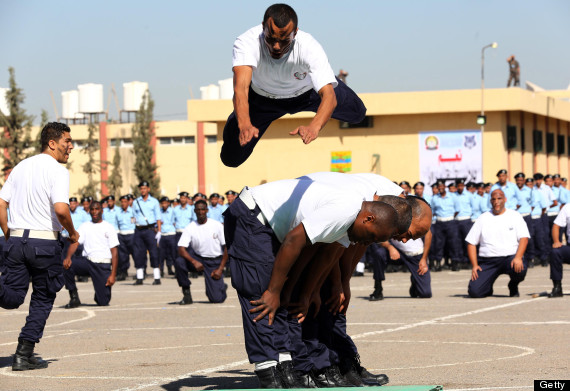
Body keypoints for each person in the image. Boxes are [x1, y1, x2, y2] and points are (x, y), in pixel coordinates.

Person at [223, 178, 408, 388]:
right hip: (252, 217)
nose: (366, 244)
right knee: (261, 294)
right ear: (369, 218)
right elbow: (294, 240)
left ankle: (285, 365)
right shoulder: (344, 212)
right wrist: (274, 291)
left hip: (273, 228)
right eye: (371, 237)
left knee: (283, 297)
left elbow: (319, 256)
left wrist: (304, 292)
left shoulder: (353, 221)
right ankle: (267, 369)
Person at [220, 3, 366, 167]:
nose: (276, 47)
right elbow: (241, 88)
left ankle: (324, 77)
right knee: (231, 158)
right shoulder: (247, 42)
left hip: (308, 94)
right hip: (263, 99)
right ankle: (235, 126)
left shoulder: (309, 46)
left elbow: (329, 97)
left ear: (295, 33)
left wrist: (314, 127)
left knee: (358, 113)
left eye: (284, 41)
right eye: (271, 39)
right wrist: (245, 123)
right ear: (263, 28)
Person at [0, 122, 79, 371]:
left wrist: (8, 234)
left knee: (12, 297)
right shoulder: (57, 170)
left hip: (16, 240)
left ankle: (25, 354)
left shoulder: (21, 166)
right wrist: (73, 232)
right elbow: (60, 209)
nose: (71, 146)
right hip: (44, 242)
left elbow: (1, 204)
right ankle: (23, 355)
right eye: (67, 141)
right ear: (52, 143)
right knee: (44, 298)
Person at [466, 189, 530, 298]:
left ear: (505, 200)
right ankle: (487, 287)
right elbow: (471, 242)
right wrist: (475, 265)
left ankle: (513, 285)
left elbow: (524, 238)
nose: (496, 201)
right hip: (488, 261)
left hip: (510, 258)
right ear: (490, 201)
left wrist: (518, 257)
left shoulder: (515, 215)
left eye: (499, 198)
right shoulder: (483, 218)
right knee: (475, 292)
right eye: (494, 199)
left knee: (520, 269)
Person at [63, 201, 119, 307]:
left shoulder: (108, 227)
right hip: (87, 262)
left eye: (97, 209)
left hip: (103, 265)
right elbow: (75, 243)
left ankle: (100, 292)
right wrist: (68, 257)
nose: (94, 211)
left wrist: (113, 275)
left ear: (101, 211)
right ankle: (74, 297)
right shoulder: (85, 226)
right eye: (92, 209)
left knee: (103, 302)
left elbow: (115, 253)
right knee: (67, 265)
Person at [176, 199, 228, 304]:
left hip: (214, 262)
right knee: (179, 261)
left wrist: (221, 269)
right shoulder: (190, 227)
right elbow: (181, 249)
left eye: (203, 209)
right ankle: (187, 295)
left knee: (216, 299)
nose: (200, 212)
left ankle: (221, 286)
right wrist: (194, 261)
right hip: (198, 259)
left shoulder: (217, 225)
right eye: (198, 210)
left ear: (207, 210)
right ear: (194, 211)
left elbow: (227, 247)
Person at [132, 181, 162, 285]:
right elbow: (133, 216)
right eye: (141, 188)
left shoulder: (154, 201)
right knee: (138, 253)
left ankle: (157, 277)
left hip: (150, 230)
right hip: (139, 230)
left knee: (154, 253)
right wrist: (133, 225)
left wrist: (159, 231)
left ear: (148, 189)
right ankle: (140, 277)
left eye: (144, 188)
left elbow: (158, 217)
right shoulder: (136, 202)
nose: (143, 190)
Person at [431, 180, 461, 271]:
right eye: (438, 187)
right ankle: (439, 263)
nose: (440, 188)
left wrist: (450, 218)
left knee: (453, 243)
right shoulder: (435, 198)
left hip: (450, 222)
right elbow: (432, 211)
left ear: (445, 187)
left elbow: (457, 210)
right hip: (439, 222)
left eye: (442, 187)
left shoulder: (453, 197)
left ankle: (455, 263)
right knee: (439, 244)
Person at [549, 202, 570, 297]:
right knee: (556, 252)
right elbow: (556, 226)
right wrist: (556, 241)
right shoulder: (567, 207)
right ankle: (557, 287)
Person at [115, 195, 136, 281]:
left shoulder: (133, 211)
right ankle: (123, 272)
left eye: (125, 202)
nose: (123, 203)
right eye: (122, 202)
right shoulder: (118, 212)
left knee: (136, 254)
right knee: (122, 255)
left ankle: (140, 272)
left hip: (131, 234)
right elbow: (117, 224)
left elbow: (135, 223)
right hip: (122, 235)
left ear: (128, 202)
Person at [158, 196, 177, 278]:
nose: (164, 205)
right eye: (162, 203)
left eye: (165, 203)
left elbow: (175, 221)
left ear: (168, 203)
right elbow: (157, 222)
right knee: (161, 254)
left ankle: (175, 270)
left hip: (171, 233)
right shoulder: (159, 211)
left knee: (173, 254)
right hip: (162, 234)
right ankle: (161, 270)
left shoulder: (172, 211)